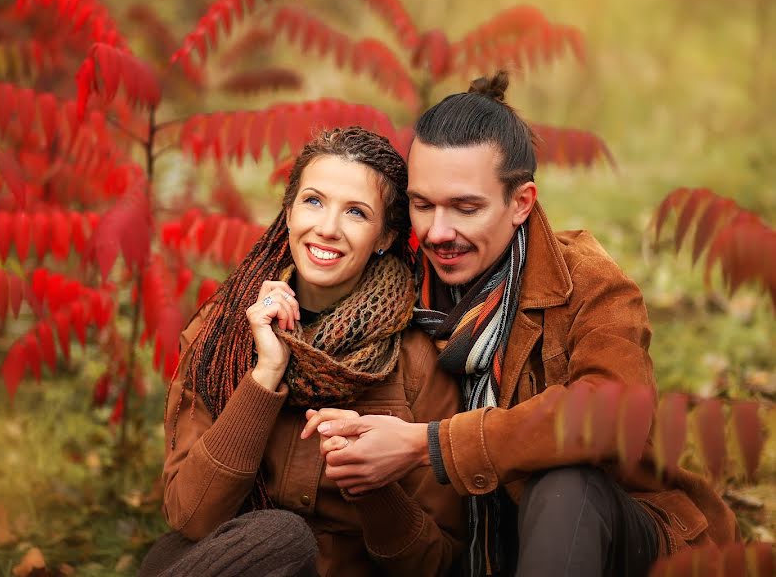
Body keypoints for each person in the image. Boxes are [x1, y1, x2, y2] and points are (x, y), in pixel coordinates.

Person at [304, 72, 739, 577]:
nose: (438, 232)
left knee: (565, 486)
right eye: (422, 205)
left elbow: (613, 413)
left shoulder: (588, 283)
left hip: (613, 540)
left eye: (466, 208)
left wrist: (428, 444)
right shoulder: (387, 290)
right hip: (457, 550)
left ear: (521, 203)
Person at [140, 127, 465, 577]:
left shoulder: (416, 359)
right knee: (193, 550)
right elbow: (191, 518)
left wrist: (371, 485)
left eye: (355, 212)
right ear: (288, 211)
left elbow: (439, 563)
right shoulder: (222, 336)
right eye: (313, 201)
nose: (327, 228)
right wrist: (264, 376)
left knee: (283, 537)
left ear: (386, 236)